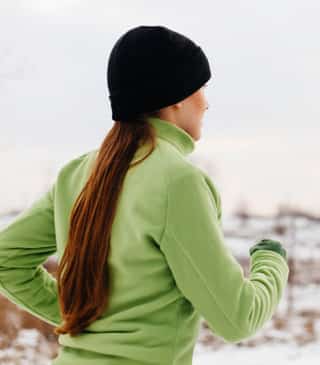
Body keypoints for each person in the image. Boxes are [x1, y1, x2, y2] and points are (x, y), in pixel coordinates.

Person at [0, 25, 289, 365]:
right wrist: (272, 260)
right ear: (177, 97)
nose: (207, 103)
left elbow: (6, 260)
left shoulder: (77, 174)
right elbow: (237, 317)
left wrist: (81, 314)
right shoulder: (178, 181)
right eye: (202, 87)